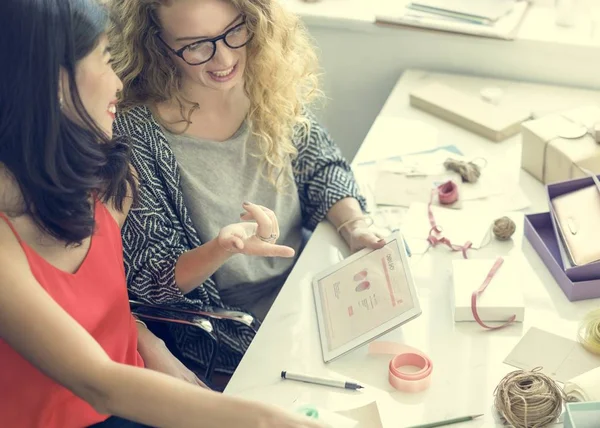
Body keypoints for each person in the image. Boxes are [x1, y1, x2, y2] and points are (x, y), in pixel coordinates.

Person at [0, 0, 324, 427]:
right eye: (105, 59)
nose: (119, 82)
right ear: (56, 83)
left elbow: (109, 299)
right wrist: (267, 420)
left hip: (133, 395)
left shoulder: (103, 174)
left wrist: (145, 342)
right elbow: (98, 382)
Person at [108, 0, 385, 375]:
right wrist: (221, 248)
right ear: (157, 44)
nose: (222, 59)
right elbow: (151, 280)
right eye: (195, 45)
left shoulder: (263, 81)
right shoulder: (136, 135)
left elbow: (319, 165)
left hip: (309, 285)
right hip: (233, 332)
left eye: (234, 31)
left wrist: (355, 226)